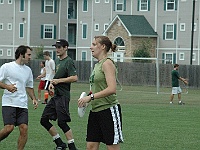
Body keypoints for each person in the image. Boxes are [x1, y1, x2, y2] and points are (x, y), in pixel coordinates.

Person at [78, 36, 124, 150]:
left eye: (94, 44)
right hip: (95, 111)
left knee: (112, 147)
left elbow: (112, 88)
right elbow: (96, 88)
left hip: (108, 110)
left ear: (103, 47)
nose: (90, 47)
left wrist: (91, 97)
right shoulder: (97, 65)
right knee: (91, 146)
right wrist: (87, 98)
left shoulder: (107, 63)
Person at [40, 39, 78, 150]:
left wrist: (59, 81)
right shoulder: (58, 61)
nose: (57, 49)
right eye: (56, 47)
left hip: (63, 96)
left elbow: (74, 78)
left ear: (66, 48)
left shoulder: (68, 61)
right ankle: (60, 143)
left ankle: (72, 147)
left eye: (59, 47)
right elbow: (56, 78)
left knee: (62, 122)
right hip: (56, 95)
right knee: (44, 119)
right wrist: (52, 84)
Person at [0, 45, 38, 150]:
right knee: (9, 128)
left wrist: (33, 99)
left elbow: (29, 87)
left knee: (24, 128)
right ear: (21, 54)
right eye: (28, 54)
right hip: (9, 102)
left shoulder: (28, 70)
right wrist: (7, 87)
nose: (30, 57)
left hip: (22, 104)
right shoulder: (7, 67)